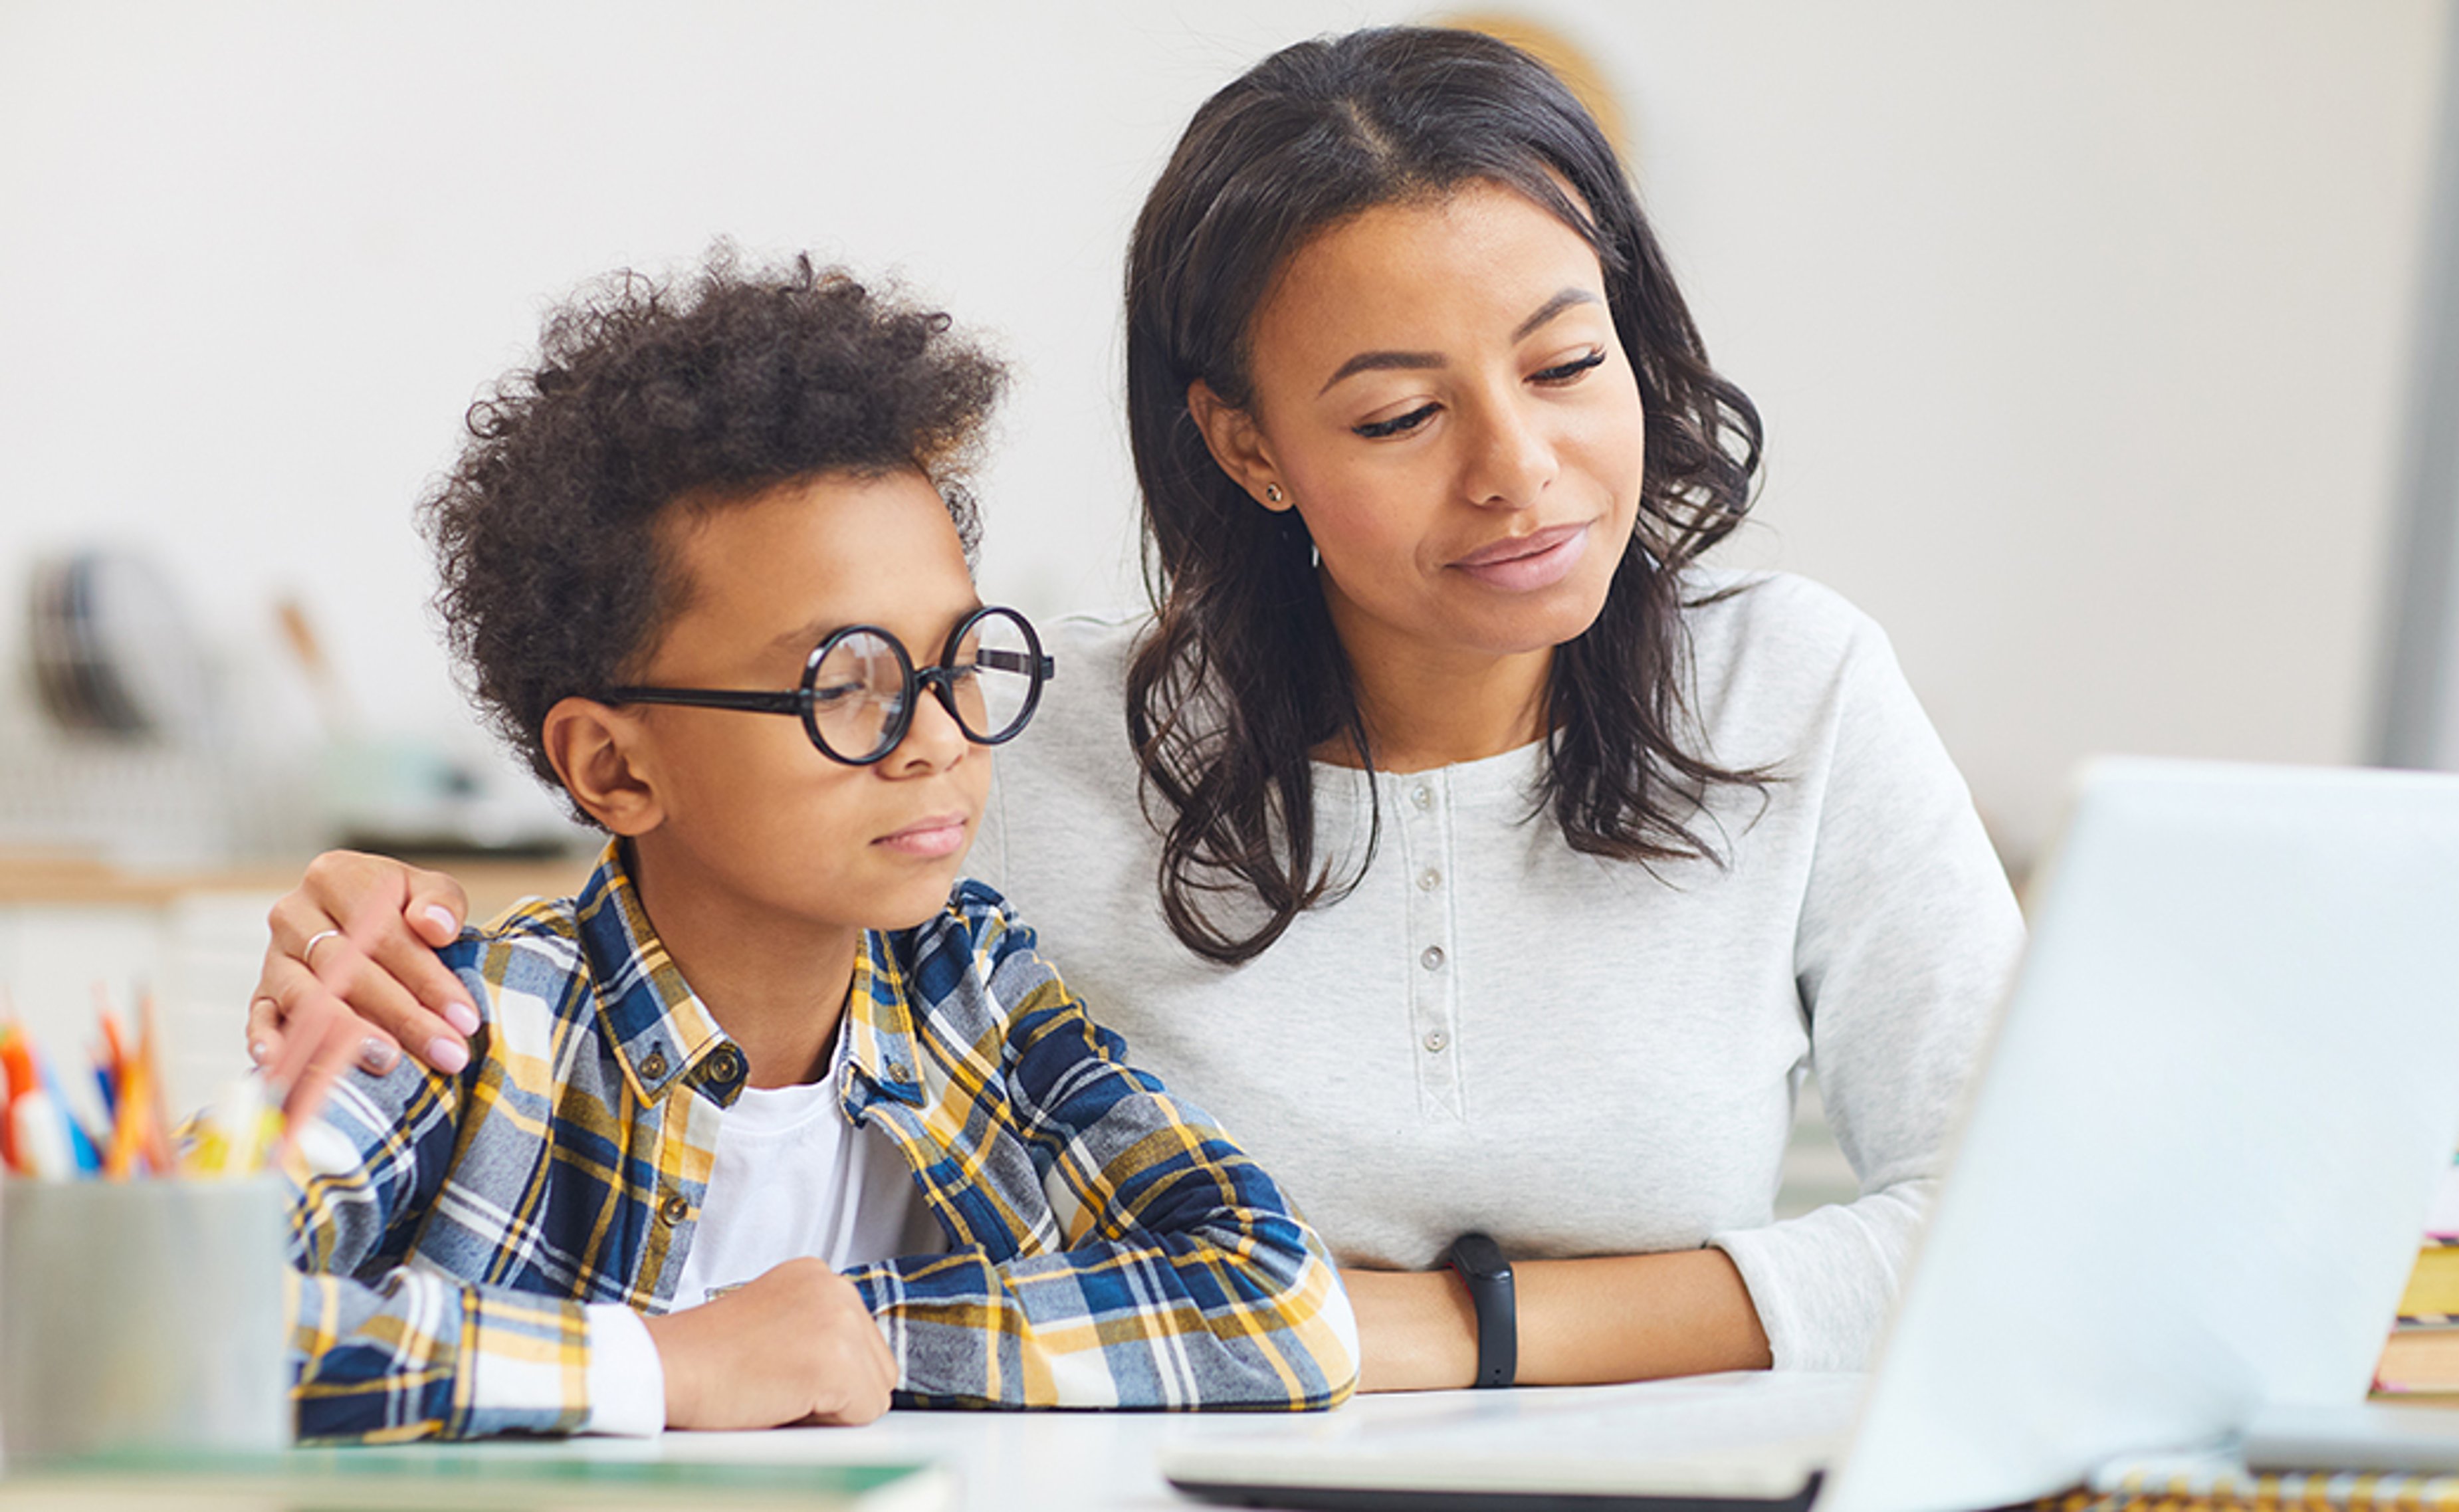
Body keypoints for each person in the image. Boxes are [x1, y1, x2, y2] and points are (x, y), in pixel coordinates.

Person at [253, 29, 2022, 1395]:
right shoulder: (1016, 755)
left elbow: (2036, 1230)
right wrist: (383, 928)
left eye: (1569, 364)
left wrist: (1443, 1331)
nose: (1521, 469)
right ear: (1248, 446)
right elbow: (708, 867)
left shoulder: (1799, 689)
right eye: (1400, 416)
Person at [272, 251, 1356, 1443]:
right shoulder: (456, 1028)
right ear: (615, 768)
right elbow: (155, 1319)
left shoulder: (971, 994)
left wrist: (847, 1330)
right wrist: (661, 1367)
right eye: (843, 684)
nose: (937, 740)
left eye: (957, 660)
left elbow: (1283, 1305)